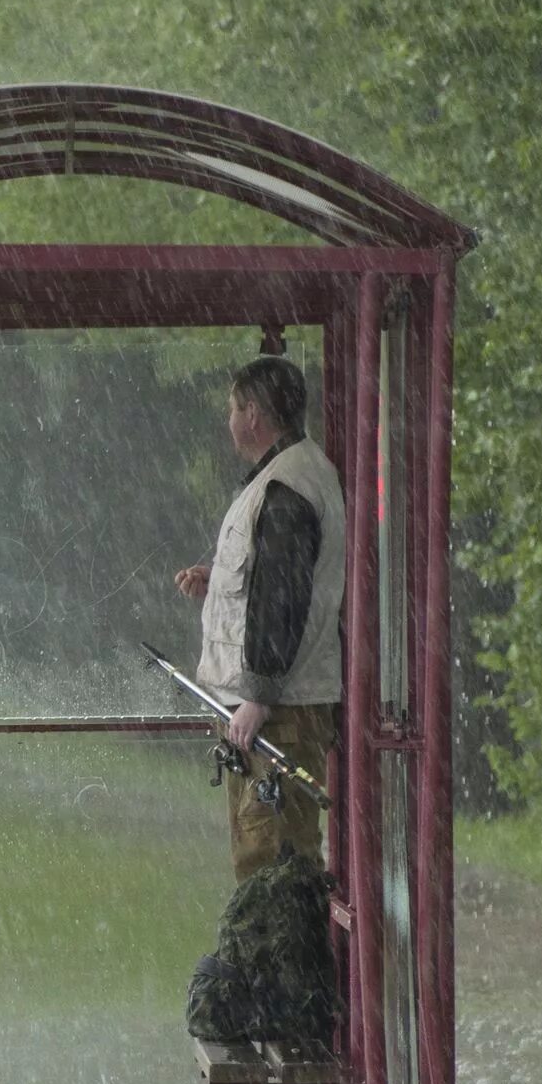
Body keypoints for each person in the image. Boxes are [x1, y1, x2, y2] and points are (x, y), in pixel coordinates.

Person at [174, 356, 345, 880]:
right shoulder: (296, 473)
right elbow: (273, 584)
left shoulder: (285, 488)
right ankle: (270, 961)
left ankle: (276, 963)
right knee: (274, 855)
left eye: (232, 409)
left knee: (270, 864)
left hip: (279, 719)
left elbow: (284, 600)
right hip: (282, 715)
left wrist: (257, 698)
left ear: (252, 414)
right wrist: (220, 583)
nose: (228, 422)